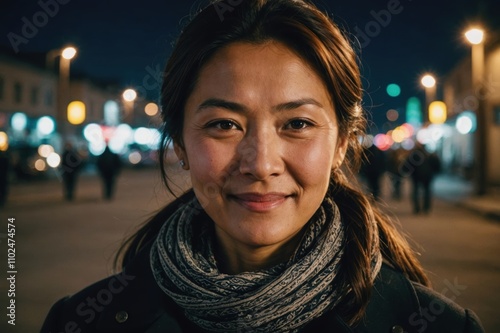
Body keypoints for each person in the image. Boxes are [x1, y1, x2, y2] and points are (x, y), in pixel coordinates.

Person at [41, 1, 484, 332]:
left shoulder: (436, 324)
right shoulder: (85, 321)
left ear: (342, 144)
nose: (261, 163)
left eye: (297, 123)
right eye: (224, 125)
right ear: (180, 143)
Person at [404, 142, 441, 215]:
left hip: (416, 176)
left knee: (416, 192)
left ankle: (417, 208)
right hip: (427, 176)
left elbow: (407, 165)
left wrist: (410, 173)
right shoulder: (429, 155)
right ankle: (426, 208)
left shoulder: (414, 155)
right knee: (427, 192)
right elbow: (436, 165)